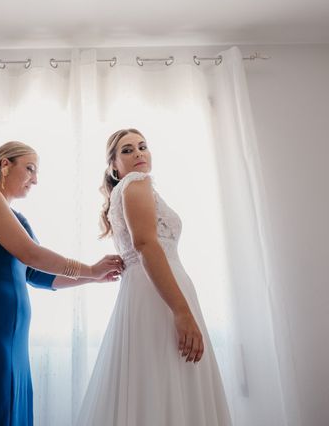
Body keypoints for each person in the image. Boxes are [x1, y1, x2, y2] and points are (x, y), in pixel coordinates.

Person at [0, 141, 123, 426]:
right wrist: (89, 268)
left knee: (10, 413)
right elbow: (32, 255)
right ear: (5, 165)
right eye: (30, 169)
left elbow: (38, 275)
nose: (35, 179)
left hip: (11, 337)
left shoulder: (17, 219)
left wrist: (94, 276)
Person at [75, 129, 232, 425]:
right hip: (160, 295)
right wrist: (182, 311)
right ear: (113, 166)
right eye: (127, 150)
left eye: (143, 146)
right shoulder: (136, 183)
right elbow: (146, 244)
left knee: (150, 384)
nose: (138, 153)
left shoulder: (126, 191)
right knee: (165, 378)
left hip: (144, 291)